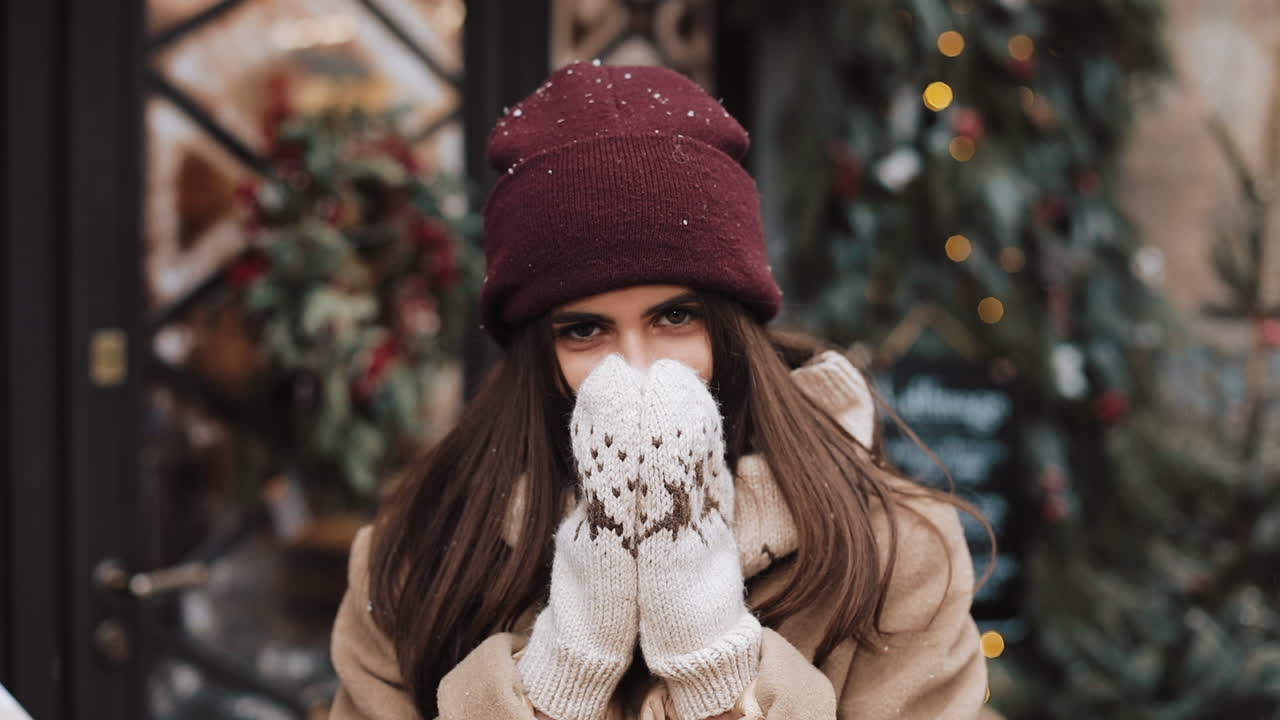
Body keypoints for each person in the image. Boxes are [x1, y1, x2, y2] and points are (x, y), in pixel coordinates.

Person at [329, 61, 993, 720]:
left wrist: (714, 666)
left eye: (676, 316)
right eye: (585, 330)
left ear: (732, 326)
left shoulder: (893, 552)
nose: (637, 366)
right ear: (537, 352)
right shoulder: (417, 560)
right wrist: (564, 673)